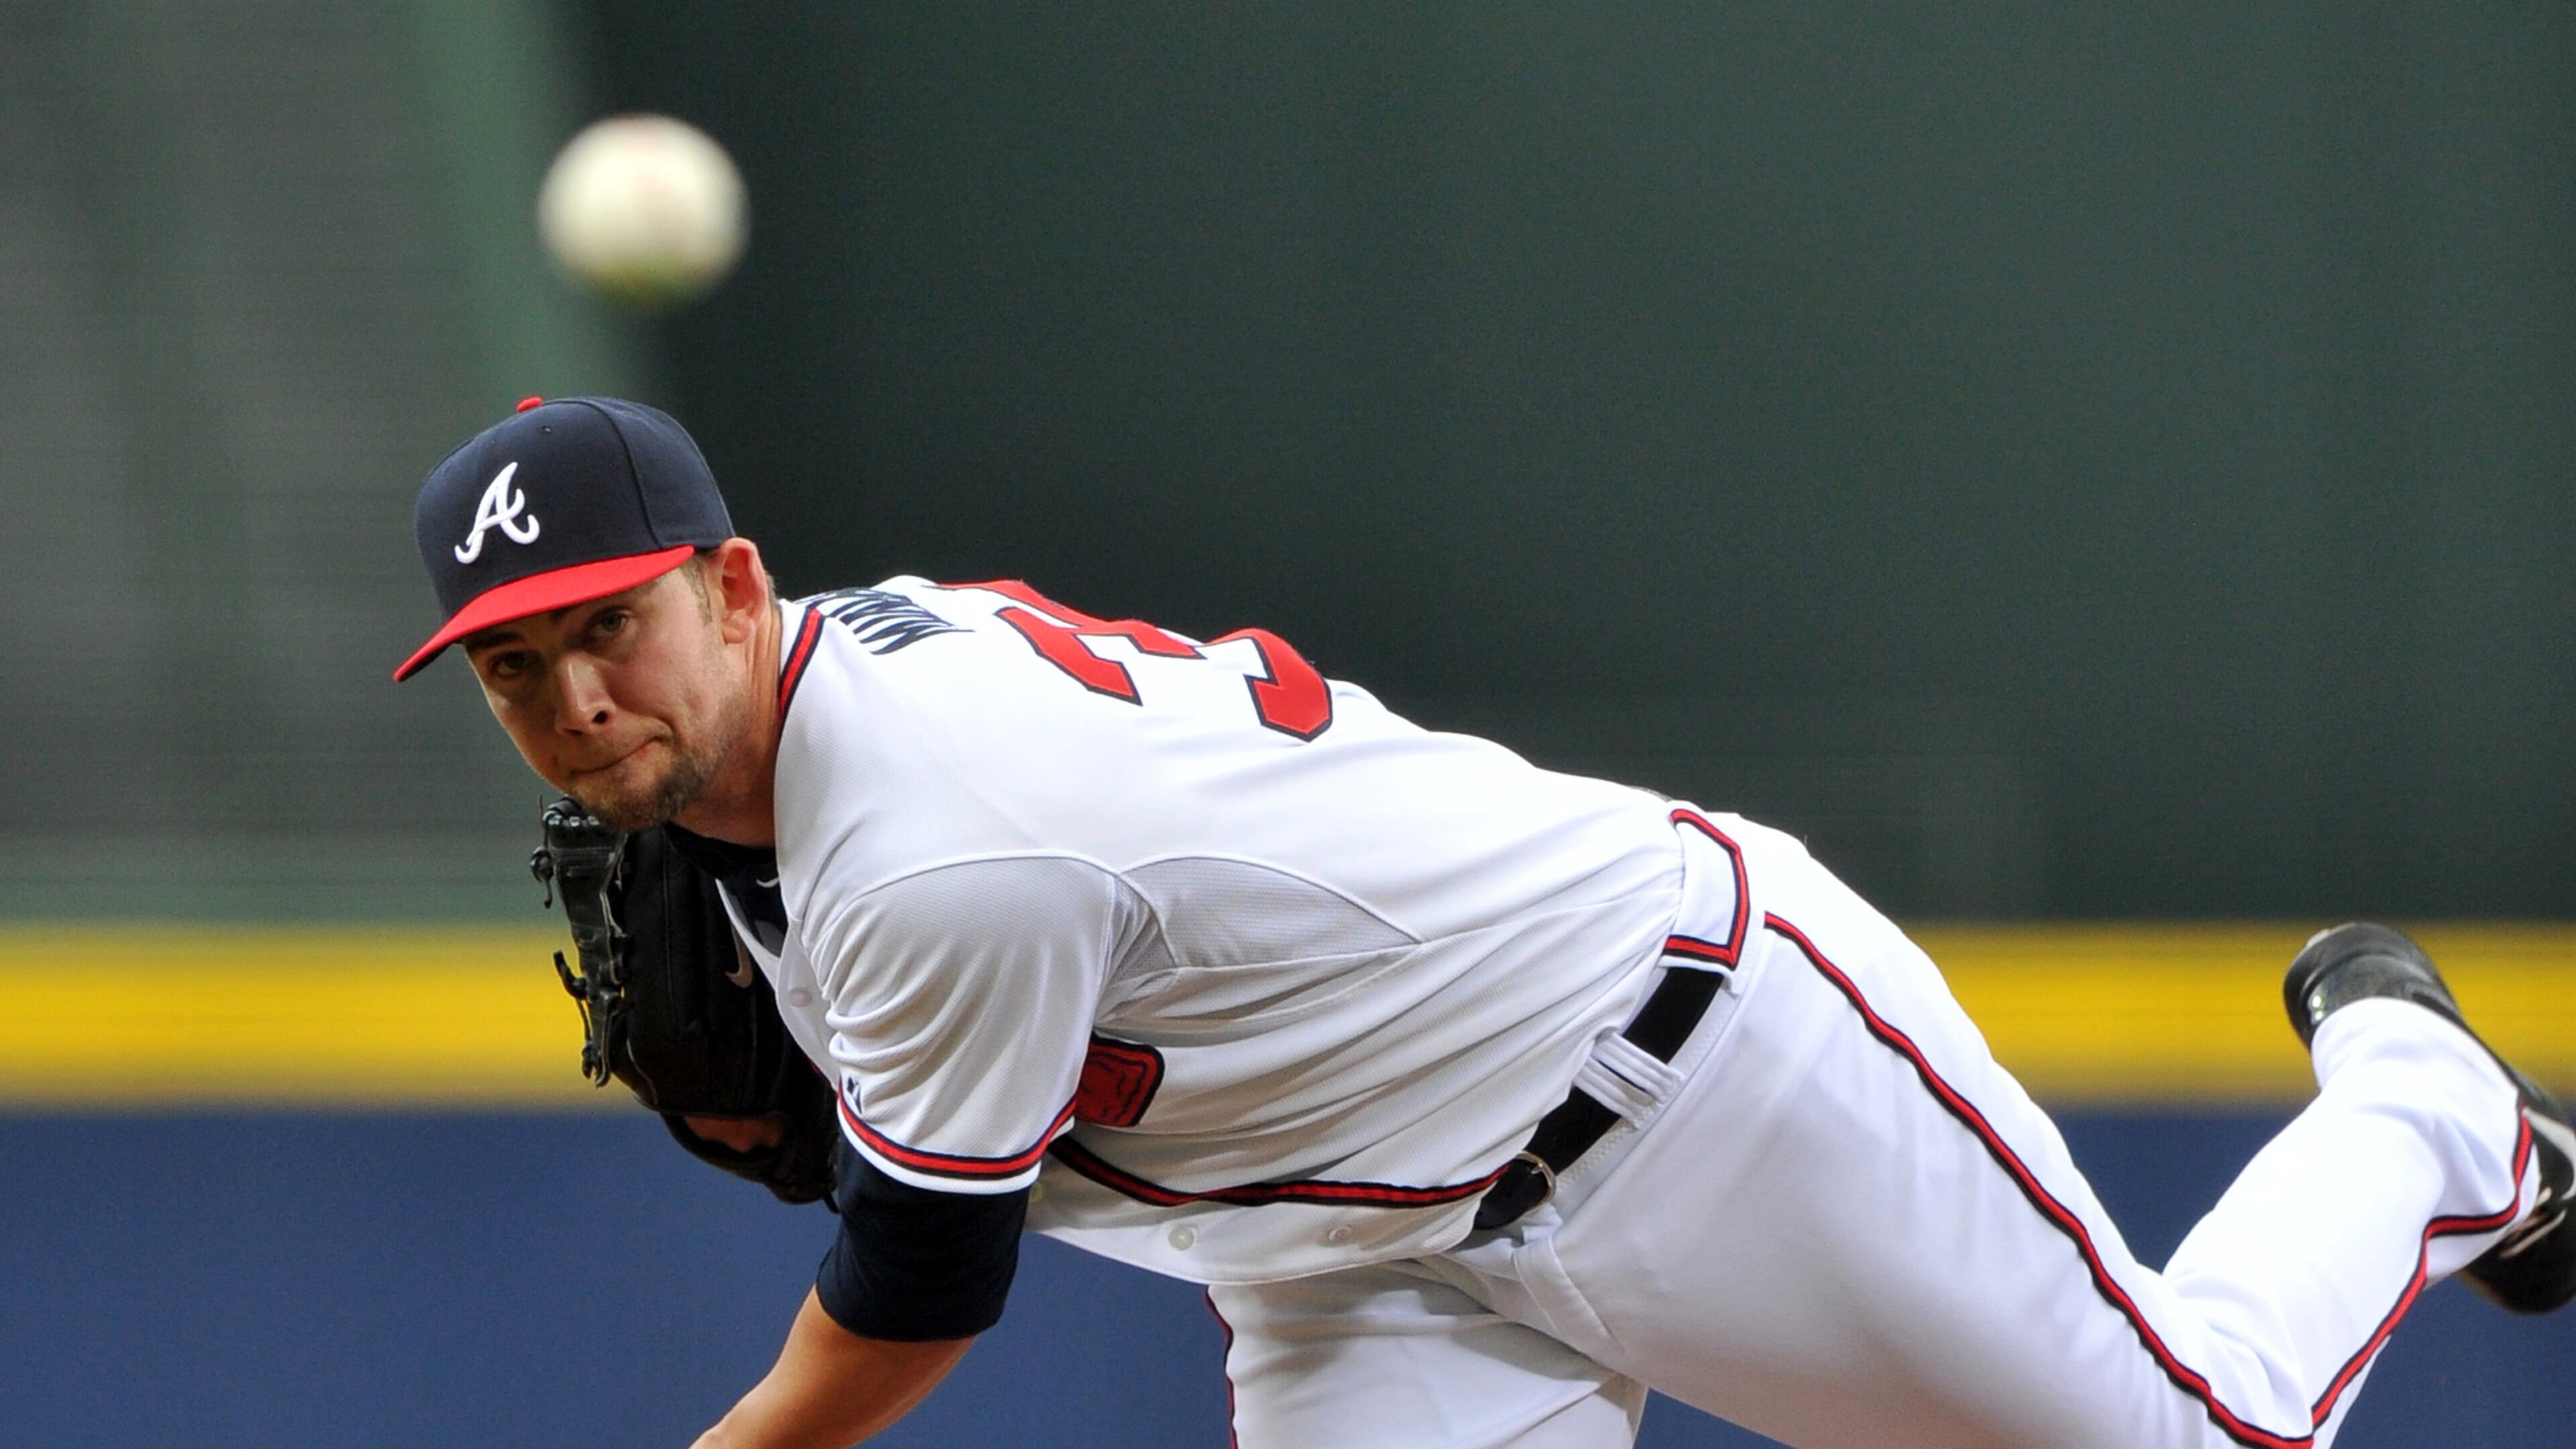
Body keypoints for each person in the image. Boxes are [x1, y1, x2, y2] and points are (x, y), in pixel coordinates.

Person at [398, 396, 2573, 1449]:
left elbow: (915, 1296)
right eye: (513, 666)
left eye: (610, 627)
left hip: (1697, 1077)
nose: (575, 697)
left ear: (740, 585)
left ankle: (2426, 1106)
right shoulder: (779, 777)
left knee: (2203, 1447)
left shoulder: (940, 850)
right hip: (1365, 1256)